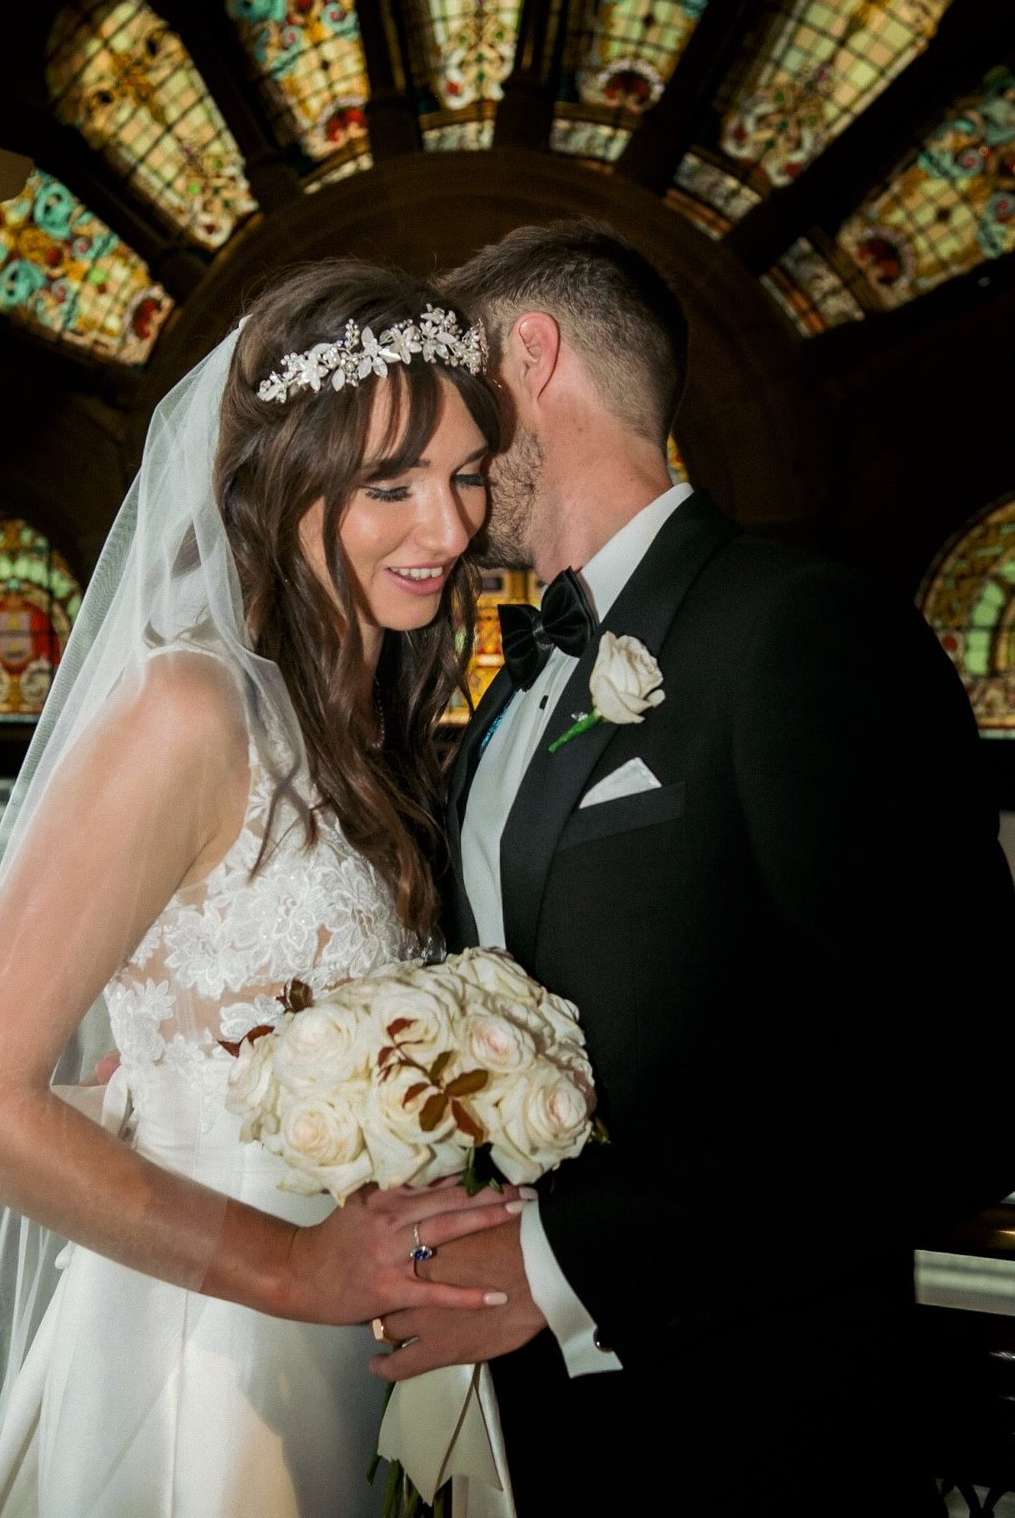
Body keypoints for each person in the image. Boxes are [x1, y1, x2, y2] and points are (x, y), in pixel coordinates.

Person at [370, 218, 1015, 1515]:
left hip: (752, 1431)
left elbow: (953, 1088)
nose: (437, 448)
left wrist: (559, 1270)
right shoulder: (511, 689)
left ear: (531, 355)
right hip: (530, 1435)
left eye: (458, 392)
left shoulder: (801, 631)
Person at [0, 261, 523, 1518]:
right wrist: (291, 1270)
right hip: (203, 1350)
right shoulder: (188, 708)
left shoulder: (359, 716)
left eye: (463, 474)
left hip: (342, 1345)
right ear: (283, 485)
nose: (449, 529)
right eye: (392, 484)